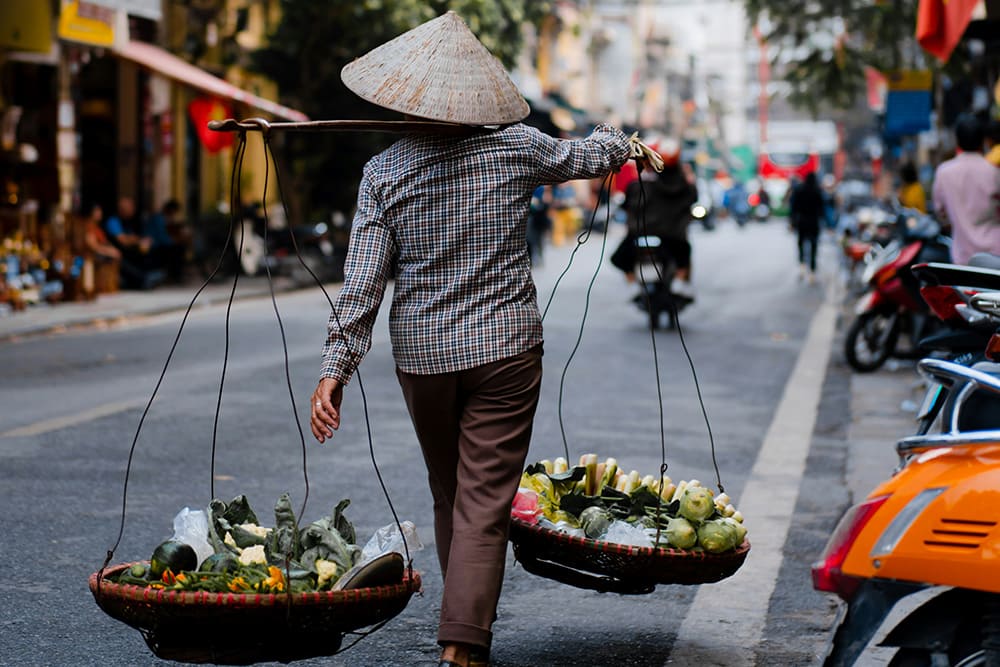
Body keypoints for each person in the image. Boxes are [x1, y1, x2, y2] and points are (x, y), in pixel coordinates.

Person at [307, 13, 642, 667]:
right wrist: (620, 141)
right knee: (484, 497)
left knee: (451, 491)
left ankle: (459, 627)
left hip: (425, 359)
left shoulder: (384, 173)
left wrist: (334, 369)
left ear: (403, 101)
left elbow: (362, 287)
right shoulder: (515, 146)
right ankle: (462, 642)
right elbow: (586, 156)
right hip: (506, 353)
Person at [611, 139, 697, 299]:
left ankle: (632, 284)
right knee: (683, 254)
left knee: (620, 257)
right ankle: (679, 282)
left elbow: (626, 205)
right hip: (671, 234)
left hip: (639, 233)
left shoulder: (638, 185)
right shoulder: (684, 186)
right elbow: (692, 199)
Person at [932, 114, 1000, 265]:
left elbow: (941, 213)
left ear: (957, 140)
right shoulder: (993, 172)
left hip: (963, 257)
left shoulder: (944, 172)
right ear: (983, 141)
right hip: (995, 256)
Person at [105, 196, 164, 289]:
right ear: (122, 209)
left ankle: (146, 278)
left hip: (127, 252)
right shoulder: (113, 221)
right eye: (130, 208)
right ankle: (143, 280)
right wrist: (138, 240)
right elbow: (122, 240)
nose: (133, 210)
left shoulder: (128, 222)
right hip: (117, 253)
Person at [788, 172, 825, 284]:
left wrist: (792, 222)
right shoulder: (817, 191)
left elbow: (793, 208)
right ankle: (812, 273)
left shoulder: (799, 190)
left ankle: (802, 268)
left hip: (802, 222)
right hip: (813, 222)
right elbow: (821, 209)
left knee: (801, 244)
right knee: (814, 247)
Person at [144, 199, 188, 283]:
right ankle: (174, 275)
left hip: (158, 244)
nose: (174, 214)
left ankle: (174, 275)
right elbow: (162, 237)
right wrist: (174, 242)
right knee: (177, 250)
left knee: (178, 248)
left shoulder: (163, 218)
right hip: (153, 246)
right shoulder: (159, 218)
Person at [526, 185, 552, 267]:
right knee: (530, 240)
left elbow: (547, 202)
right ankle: (531, 260)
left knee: (539, 239)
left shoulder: (542, 189)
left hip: (540, 219)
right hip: (531, 218)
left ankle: (539, 257)